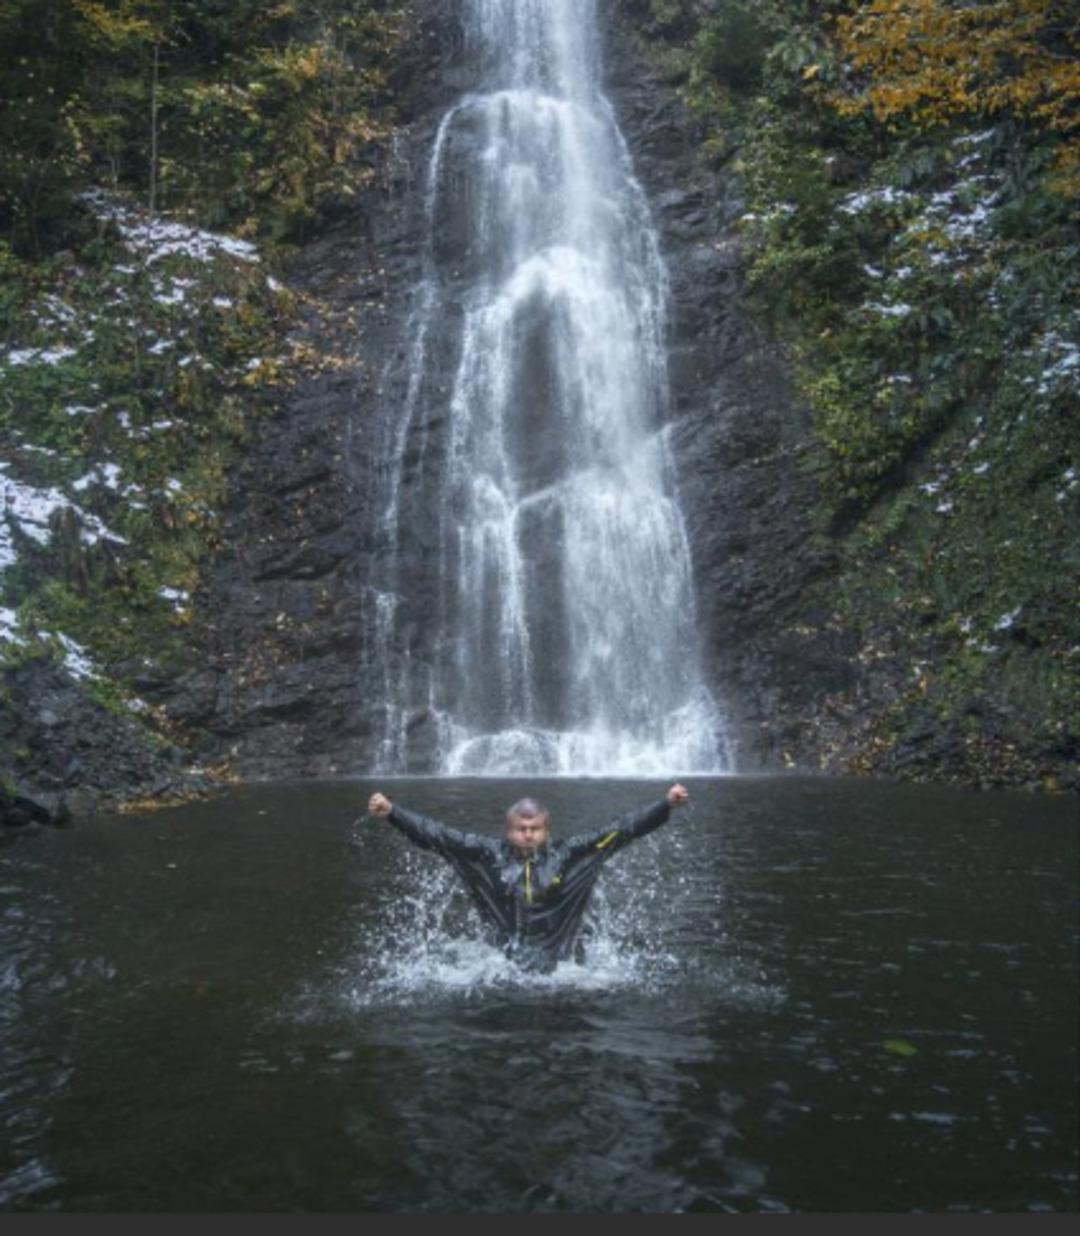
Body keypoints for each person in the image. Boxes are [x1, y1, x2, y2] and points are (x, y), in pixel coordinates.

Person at [365, 783, 690, 972]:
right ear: (509, 831)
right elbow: (438, 835)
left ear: (546, 831)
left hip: (559, 966)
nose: (528, 835)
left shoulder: (568, 854)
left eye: (535, 829)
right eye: (522, 829)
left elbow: (621, 829)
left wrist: (664, 805)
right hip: (504, 964)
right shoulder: (487, 853)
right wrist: (394, 813)